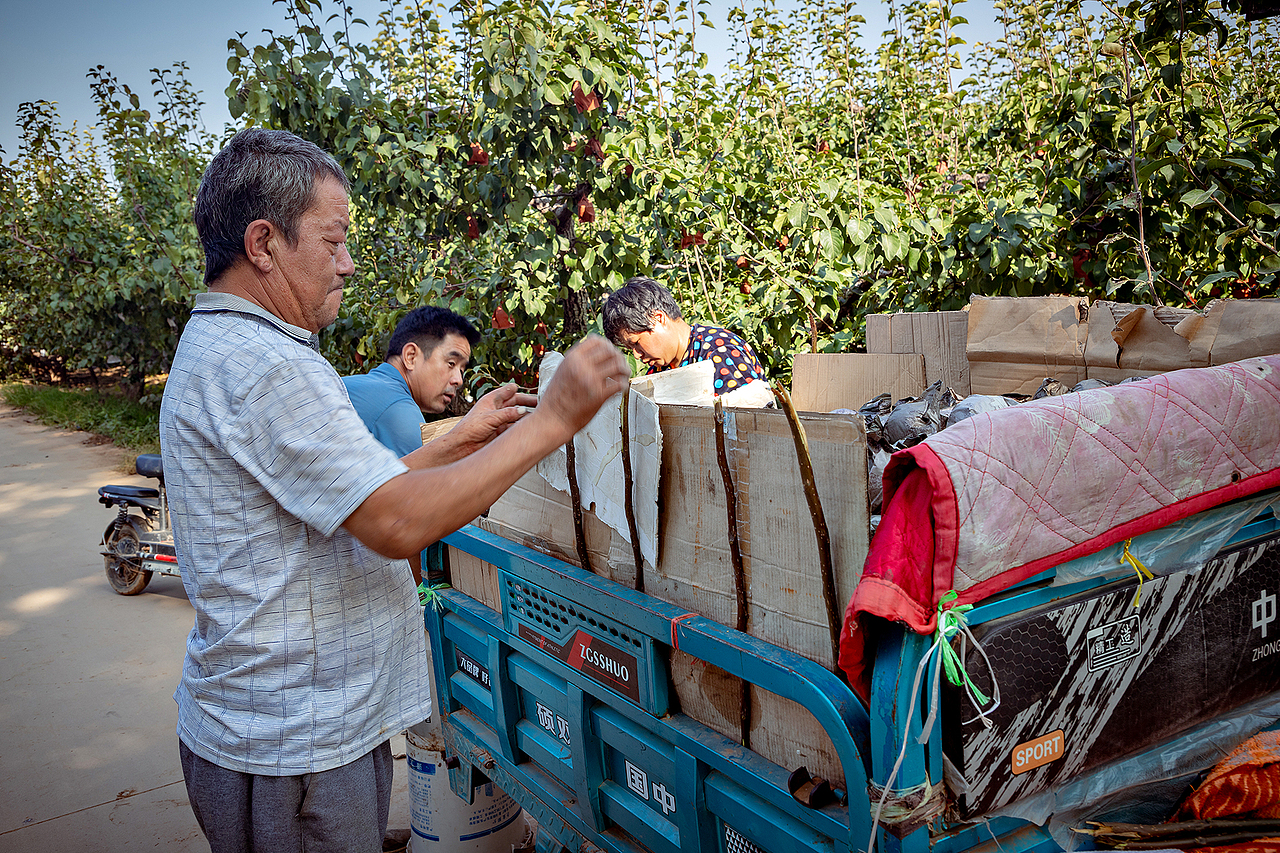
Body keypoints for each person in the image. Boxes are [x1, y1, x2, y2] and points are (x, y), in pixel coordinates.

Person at [160, 127, 629, 853]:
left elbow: (351, 497)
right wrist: (555, 421)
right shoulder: (267, 365)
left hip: (283, 727)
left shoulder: (241, 349)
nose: (347, 264)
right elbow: (393, 522)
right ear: (263, 243)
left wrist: (471, 435)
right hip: (295, 742)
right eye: (334, 240)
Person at [343, 306, 536, 586]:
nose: (458, 379)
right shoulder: (398, 410)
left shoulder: (364, 386)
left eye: (462, 369)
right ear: (411, 356)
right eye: (450, 363)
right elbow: (411, 517)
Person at [601, 275, 767, 395]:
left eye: (636, 343)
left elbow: (748, 426)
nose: (637, 355)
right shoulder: (658, 371)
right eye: (630, 348)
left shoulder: (720, 353)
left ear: (658, 318)